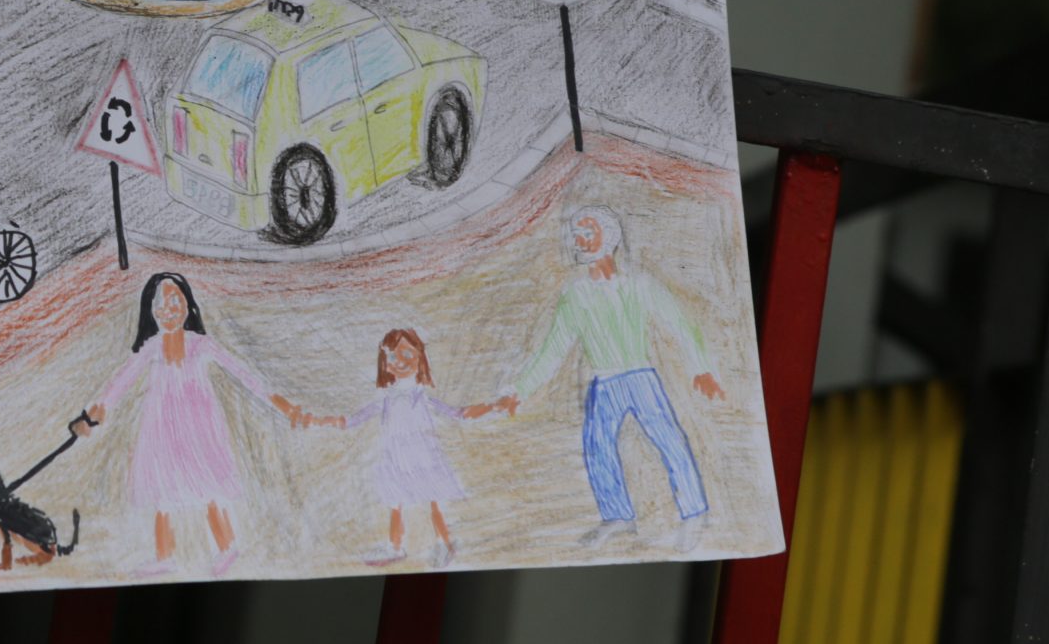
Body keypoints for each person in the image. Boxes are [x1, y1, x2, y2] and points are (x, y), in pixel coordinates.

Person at [499, 204, 723, 546]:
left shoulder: (639, 284)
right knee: (597, 447)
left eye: (588, 232)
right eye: (577, 234)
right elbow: (553, 348)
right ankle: (618, 516)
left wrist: (701, 367)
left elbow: (679, 323)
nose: (580, 240)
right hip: (603, 383)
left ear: (609, 236)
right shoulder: (575, 295)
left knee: (669, 440)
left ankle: (694, 512)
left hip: (640, 377)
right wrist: (520, 391)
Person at [76, 271, 310, 577]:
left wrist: (284, 405)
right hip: (161, 431)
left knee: (209, 487)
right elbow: (120, 383)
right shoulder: (152, 348)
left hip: (201, 431)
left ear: (188, 305)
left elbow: (244, 375)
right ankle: (165, 556)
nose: (169, 309)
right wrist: (93, 415)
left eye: (176, 301)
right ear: (152, 311)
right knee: (162, 493)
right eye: (162, 304)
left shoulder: (201, 345)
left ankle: (227, 547)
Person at [321, 327, 496, 568]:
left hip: (423, 459)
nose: (400, 361)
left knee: (433, 500)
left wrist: (490, 407)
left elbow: (457, 413)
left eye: (407, 354)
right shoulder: (387, 398)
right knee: (396, 503)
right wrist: (325, 421)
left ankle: (444, 543)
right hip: (396, 460)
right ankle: (395, 547)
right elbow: (353, 419)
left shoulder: (421, 396)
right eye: (393, 356)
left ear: (419, 357)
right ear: (385, 363)